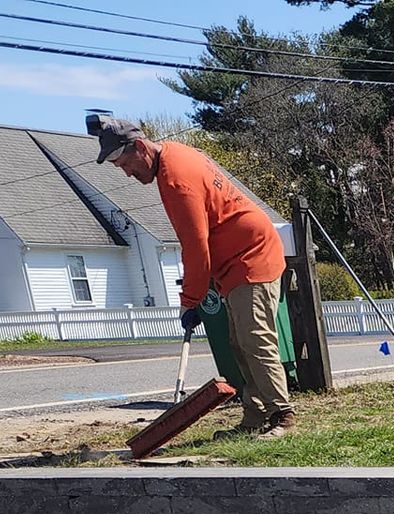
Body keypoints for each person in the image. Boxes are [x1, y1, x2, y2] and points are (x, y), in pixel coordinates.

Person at [91, 116, 294, 437]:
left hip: (251, 255)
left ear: (141, 147)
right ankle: (256, 418)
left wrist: (190, 301)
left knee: (255, 339)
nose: (128, 173)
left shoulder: (175, 182)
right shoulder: (175, 152)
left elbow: (195, 248)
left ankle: (283, 416)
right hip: (235, 258)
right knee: (239, 343)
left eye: (126, 164)